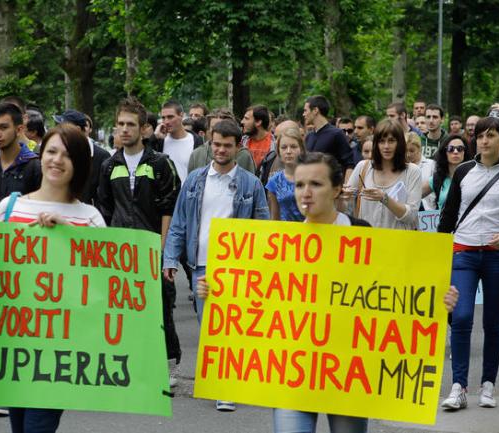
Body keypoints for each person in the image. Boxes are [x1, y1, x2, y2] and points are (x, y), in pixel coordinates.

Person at [195, 152, 459, 433]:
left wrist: (437, 301)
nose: (305, 194)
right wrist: (218, 292)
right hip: (290, 375)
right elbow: (255, 303)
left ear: (336, 190)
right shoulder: (278, 245)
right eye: (299, 185)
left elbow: (394, 299)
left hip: (348, 377)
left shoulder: (362, 234)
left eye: (315, 185)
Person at [0, 123, 106, 433]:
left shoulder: (90, 218)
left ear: (79, 165)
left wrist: (67, 233)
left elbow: (105, 283)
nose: (57, 160)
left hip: (60, 352)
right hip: (13, 345)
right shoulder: (10, 207)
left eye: (67, 155)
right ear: (41, 155)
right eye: (52, 151)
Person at [162, 119, 269, 412]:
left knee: (229, 328)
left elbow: (263, 228)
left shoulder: (251, 183)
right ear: (210, 143)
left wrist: (259, 266)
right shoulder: (195, 180)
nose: (220, 150)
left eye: (227, 145)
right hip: (201, 266)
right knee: (208, 326)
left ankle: (226, 386)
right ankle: (224, 379)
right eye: (216, 144)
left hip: (237, 267)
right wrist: (170, 259)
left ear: (238, 147)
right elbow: (180, 223)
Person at [438, 117, 499, 410]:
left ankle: (488, 385)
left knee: (492, 323)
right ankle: (458, 386)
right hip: (463, 252)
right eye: (480, 136)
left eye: (491, 135)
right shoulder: (463, 171)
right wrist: (436, 250)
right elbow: (449, 213)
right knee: (461, 317)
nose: (485, 141)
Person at [98, 96, 182, 386]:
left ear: (144, 128)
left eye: (130, 124)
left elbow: (170, 207)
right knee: (124, 307)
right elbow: (105, 209)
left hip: (152, 247)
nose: (124, 130)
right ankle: (129, 361)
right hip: (121, 251)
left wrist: (162, 248)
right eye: (120, 124)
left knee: (160, 305)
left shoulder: (160, 163)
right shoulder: (109, 166)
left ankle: (168, 363)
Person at [346, 120, 421, 229]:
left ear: (399, 143)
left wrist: (384, 198)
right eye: (381, 141)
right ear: (376, 144)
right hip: (368, 240)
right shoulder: (363, 167)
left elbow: (410, 216)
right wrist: (341, 195)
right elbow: (346, 206)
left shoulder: (412, 171)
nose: (386, 146)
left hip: (399, 241)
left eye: (391, 141)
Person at [302, 95, 354, 179]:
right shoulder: (309, 136)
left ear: (315, 110)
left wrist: (346, 187)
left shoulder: (337, 134)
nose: (303, 114)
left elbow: (349, 164)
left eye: (305, 110)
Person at [421, 135, 472, 210]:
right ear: (444, 152)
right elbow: (413, 196)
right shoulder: (436, 179)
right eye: (450, 149)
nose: (455, 152)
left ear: (465, 152)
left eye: (460, 149)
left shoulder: (473, 176)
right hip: (444, 220)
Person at [266, 127, 306, 222]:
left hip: (312, 233)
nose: (288, 151)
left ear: (301, 149)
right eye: (284, 147)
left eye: (293, 146)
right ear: (278, 151)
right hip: (286, 234)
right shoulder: (274, 181)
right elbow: (274, 218)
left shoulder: (313, 177)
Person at [406, 131, 436, 210]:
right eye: (405, 151)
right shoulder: (401, 168)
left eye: (412, 151)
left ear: (419, 148)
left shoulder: (432, 165)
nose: (408, 154)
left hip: (429, 212)